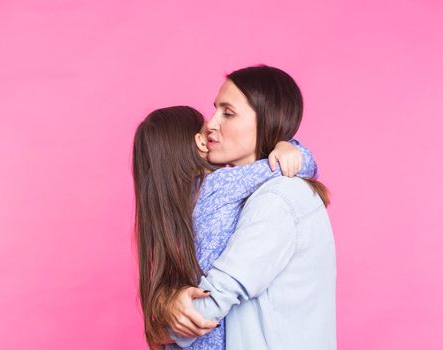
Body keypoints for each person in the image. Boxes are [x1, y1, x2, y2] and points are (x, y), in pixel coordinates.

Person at [163, 65, 336, 350]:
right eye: (215, 110)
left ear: (267, 121)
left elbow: (213, 299)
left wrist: (162, 327)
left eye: (228, 113)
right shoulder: (238, 195)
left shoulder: (277, 198)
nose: (211, 123)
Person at [132, 103, 318, 349]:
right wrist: (289, 146)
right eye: (207, 132)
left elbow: (156, 332)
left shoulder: (168, 213)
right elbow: (298, 166)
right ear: (200, 142)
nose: (214, 127)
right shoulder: (220, 185)